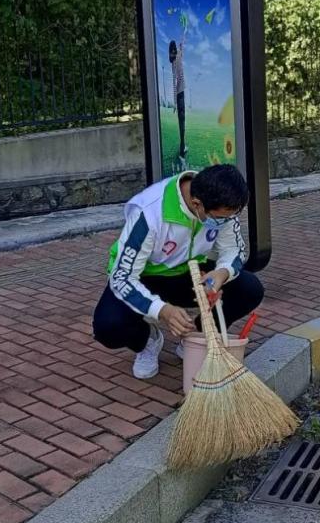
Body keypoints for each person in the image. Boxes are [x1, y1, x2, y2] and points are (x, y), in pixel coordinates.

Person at [92, 164, 264, 380]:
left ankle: (197, 336)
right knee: (108, 327)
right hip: (145, 277)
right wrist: (162, 310)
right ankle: (147, 341)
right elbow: (122, 278)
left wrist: (221, 274)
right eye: (220, 218)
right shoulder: (149, 213)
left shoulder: (220, 202)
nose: (224, 222)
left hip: (191, 274)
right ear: (197, 204)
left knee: (250, 289)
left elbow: (233, 251)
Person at [170, 30, 188, 169]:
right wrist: (176, 103)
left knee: (182, 124)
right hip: (180, 96)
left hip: (180, 95)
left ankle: (183, 148)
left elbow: (182, 43)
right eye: (175, 48)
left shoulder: (176, 58)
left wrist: (184, 32)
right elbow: (175, 82)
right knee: (182, 124)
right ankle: (182, 154)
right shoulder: (176, 60)